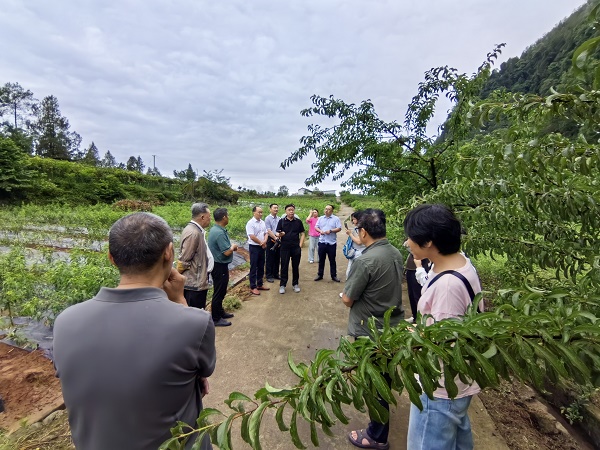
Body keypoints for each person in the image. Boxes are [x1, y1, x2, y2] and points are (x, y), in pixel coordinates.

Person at [53, 212, 216, 450]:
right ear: (169, 252)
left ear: (111, 258)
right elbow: (203, 371)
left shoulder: (65, 322)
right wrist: (180, 301)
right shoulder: (194, 323)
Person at [404, 204, 483, 450]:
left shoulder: (447, 287)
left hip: (438, 388)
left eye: (410, 237)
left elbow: (443, 345)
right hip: (458, 384)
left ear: (428, 242)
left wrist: (416, 335)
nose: (407, 242)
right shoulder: (459, 262)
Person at [342, 208, 404, 450]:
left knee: (373, 381)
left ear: (364, 232)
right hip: (391, 326)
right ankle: (380, 424)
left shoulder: (365, 260)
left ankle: (377, 435)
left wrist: (346, 295)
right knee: (384, 377)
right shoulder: (395, 252)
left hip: (370, 331)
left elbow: (348, 299)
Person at [207, 207, 238, 327]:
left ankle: (220, 312)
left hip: (218, 264)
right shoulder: (219, 233)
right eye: (227, 215)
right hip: (219, 266)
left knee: (221, 290)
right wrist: (233, 247)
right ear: (224, 217)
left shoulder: (216, 229)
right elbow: (226, 252)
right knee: (219, 291)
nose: (228, 217)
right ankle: (215, 318)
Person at [276, 204, 305, 294]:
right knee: (284, 266)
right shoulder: (281, 221)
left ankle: (295, 284)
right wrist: (280, 234)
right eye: (289, 210)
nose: (291, 211)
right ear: (286, 211)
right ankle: (282, 285)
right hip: (284, 247)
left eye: (292, 210)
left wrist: (300, 245)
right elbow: (277, 233)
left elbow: (302, 233)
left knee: (295, 266)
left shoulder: (298, 222)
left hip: (295, 247)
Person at [314, 204, 342, 282]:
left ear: (332, 211)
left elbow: (339, 228)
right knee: (321, 260)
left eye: (328, 209)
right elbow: (316, 227)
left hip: (331, 243)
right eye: (325, 209)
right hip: (322, 242)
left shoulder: (336, 219)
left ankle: (334, 276)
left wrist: (331, 231)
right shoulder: (320, 218)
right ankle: (320, 274)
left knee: (332, 260)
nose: (326, 210)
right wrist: (320, 231)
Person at [246, 205, 270, 295]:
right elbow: (252, 236)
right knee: (254, 266)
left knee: (261, 265)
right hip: (254, 247)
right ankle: (253, 286)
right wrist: (261, 243)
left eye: (261, 212)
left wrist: (265, 241)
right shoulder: (250, 223)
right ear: (254, 213)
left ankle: (260, 284)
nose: (261, 214)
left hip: (262, 246)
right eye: (259, 212)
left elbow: (266, 233)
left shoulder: (262, 222)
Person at [404, 253, 431, 319]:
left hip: (421, 265)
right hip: (412, 266)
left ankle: (421, 319)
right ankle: (415, 316)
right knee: (411, 295)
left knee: (418, 295)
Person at [345, 211, 366, 279]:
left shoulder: (361, 229)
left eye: (354, 219)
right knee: (350, 272)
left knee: (352, 273)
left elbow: (359, 242)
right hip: (356, 252)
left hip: (359, 253)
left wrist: (350, 234)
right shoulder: (357, 228)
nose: (352, 221)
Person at [265, 203, 281, 283]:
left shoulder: (279, 218)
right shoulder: (267, 218)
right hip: (271, 239)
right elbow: (268, 230)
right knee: (269, 258)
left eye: (277, 208)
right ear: (270, 209)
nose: (276, 209)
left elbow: (280, 229)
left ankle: (276, 274)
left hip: (278, 239)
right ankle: (269, 275)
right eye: (274, 208)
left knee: (277, 257)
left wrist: (279, 238)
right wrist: (275, 238)